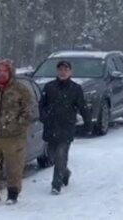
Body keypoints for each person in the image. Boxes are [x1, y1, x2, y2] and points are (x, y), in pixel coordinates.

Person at [0, 59, 35, 207]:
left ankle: (13, 194)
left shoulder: (20, 90)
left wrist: (19, 125)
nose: (2, 74)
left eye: (5, 71)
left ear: (10, 73)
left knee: (14, 167)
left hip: (14, 136)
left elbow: (29, 110)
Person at [39, 60, 91, 195]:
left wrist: (88, 123)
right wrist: (43, 117)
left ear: (70, 72)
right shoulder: (49, 87)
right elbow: (42, 105)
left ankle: (56, 185)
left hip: (66, 127)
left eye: (65, 70)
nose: (63, 72)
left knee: (61, 155)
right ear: (57, 71)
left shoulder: (75, 89)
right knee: (51, 156)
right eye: (60, 70)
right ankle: (65, 172)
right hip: (51, 127)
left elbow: (82, 106)